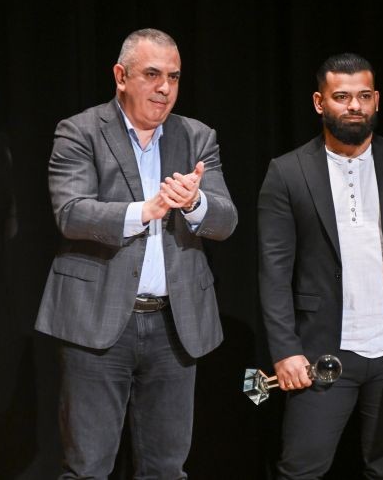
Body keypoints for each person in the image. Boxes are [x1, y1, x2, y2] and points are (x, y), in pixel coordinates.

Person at [35, 28, 238, 478]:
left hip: (173, 326)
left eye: (174, 77)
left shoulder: (197, 137)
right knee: (87, 469)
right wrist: (145, 211)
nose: (165, 87)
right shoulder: (80, 131)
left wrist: (194, 203)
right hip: (97, 321)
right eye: (152, 74)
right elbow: (71, 213)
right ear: (121, 76)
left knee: (166, 470)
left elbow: (225, 220)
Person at [258, 52, 383, 479]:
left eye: (364, 96)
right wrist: (285, 350)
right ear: (320, 103)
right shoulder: (287, 172)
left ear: (376, 100)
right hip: (320, 351)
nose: (354, 106)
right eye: (342, 96)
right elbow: (274, 272)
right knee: (300, 470)